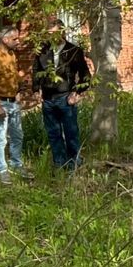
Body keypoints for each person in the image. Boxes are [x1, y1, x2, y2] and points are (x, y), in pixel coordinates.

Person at [32, 18, 91, 171]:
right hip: (48, 99)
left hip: (66, 98)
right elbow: (36, 71)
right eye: (49, 34)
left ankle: (74, 163)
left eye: (55, 33)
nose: (52, 37)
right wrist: (36, 90)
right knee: (53, 133)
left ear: (63, 32)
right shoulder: (42, 50)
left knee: (71, 132)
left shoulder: (73, 51)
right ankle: (59, 164)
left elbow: (85, 75)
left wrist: (77, 93)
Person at [0, 26, 34, 184]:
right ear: (5, 39)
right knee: (0, 138)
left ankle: (16, 164)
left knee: (17, 135)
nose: (18, 41)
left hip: (13, 102)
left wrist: (20, 85)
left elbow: (12, 76)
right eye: (15, 39)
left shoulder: (11, 55)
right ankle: (1, 170)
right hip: (0, 102)